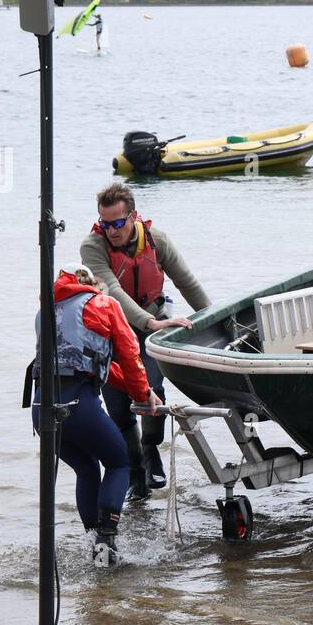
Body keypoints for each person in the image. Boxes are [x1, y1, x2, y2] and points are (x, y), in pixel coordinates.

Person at [80, 184, 211, 502]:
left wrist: (213, 320)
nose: (111, 230)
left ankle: (151, 454)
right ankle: (135, 474)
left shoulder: (158, 240)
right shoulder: (92, 247)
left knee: (152, 388)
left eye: (118, 222)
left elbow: (187, 282)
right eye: (105, 223)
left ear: (134, 216)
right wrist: (150, 322)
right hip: (111, 331)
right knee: (118, 407)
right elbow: (111, 289)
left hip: (153, 327)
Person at [28, 264, 161, 567]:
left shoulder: (47, 310)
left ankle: (93, 542)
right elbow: (129, 356)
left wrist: (136, 390)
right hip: (78, 404)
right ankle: (107, 538)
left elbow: (93, 362)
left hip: (40, 409)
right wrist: (143, 395)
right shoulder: (104, 303)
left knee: (86, 469)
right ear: (95, 286)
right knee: (119, 461)